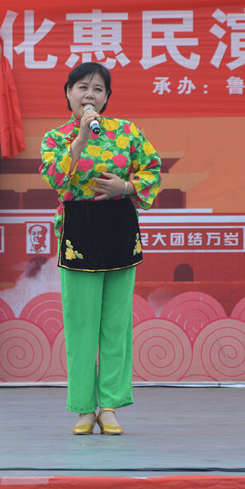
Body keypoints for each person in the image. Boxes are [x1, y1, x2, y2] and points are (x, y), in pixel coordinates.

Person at [39, 61, 161, 435]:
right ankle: (82, 409)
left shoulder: (127, 132)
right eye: (82, 87)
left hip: (119, 228)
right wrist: (79, 139)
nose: (89, 95)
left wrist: (126, 188)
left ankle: (109, 406)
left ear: (107, 98)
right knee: (81, 325)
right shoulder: (55, 138)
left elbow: (152, 169)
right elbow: (55, 179)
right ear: (68, 93)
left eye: (98, 89)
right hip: (79, 231)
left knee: (116, 325)